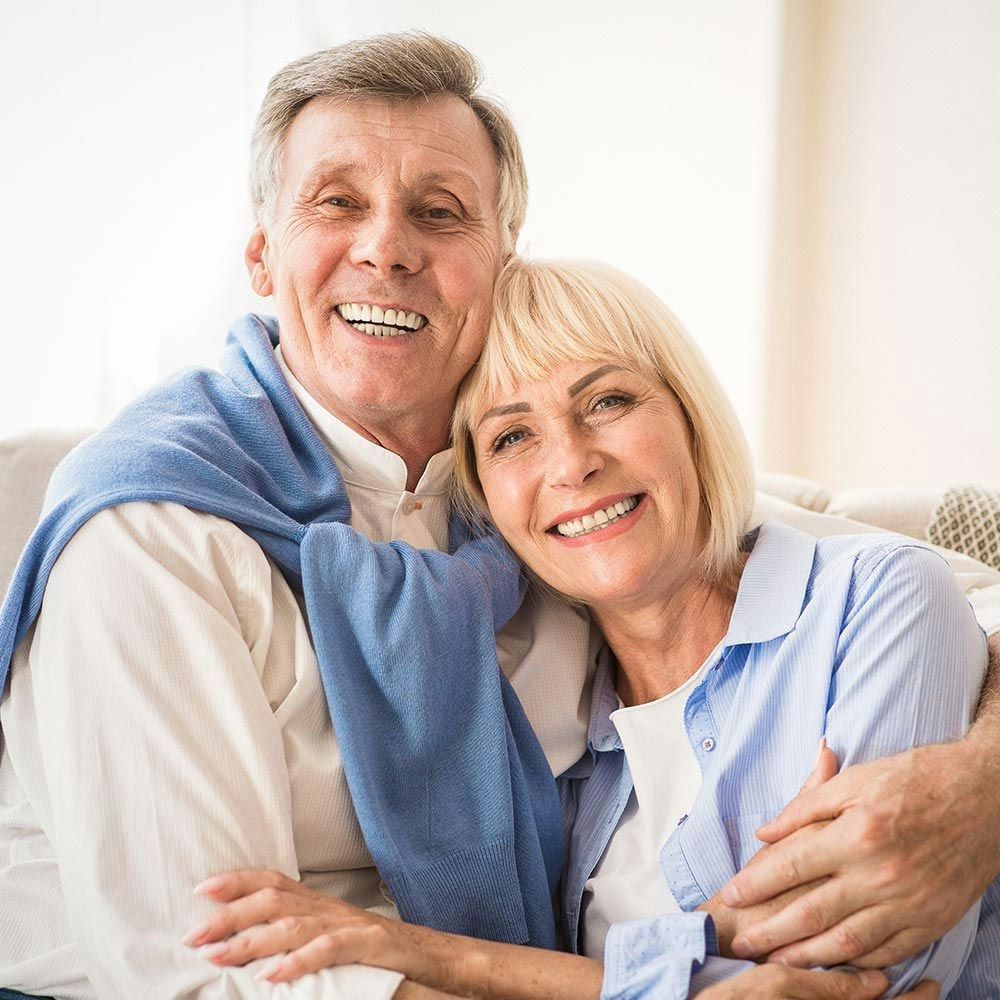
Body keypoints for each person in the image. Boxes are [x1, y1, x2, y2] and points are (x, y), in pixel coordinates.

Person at [0, 31, 998, 1000]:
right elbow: (204, 969)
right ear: (262, 255)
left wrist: (982, 782)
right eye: (337, 202)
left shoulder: (527, 496)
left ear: (502, 257)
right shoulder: (149, 530)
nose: (386, 248)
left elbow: (940, 590)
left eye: (439, 213)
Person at [183, 258, 996, 997]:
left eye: (607, 401)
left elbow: (862, 976)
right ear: (487, 503)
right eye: (513, 437)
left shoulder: (877, 599)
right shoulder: (559, 741)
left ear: (690, 416)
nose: (572, 463)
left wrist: (429, 955)